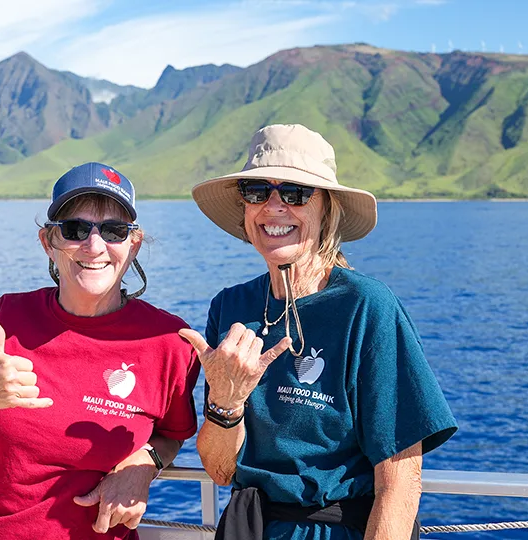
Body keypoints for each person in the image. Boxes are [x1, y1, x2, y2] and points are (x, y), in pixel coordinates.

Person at [180, 124, 458, 540]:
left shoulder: (366, 306)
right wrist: (226, 401)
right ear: (244, 208)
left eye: (294, 192)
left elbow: (400, 482)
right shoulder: (230, 307)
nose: (274, 207)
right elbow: (221, 471)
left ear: (326, 209)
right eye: (258, 191)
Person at [0, 162, 200, 540]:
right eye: (75, 229)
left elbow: (173, 433)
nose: (94, 246)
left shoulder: (169, 341)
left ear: (133, 244)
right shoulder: (4, 320)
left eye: (114, 230)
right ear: (48, 242)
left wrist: (144, 463)